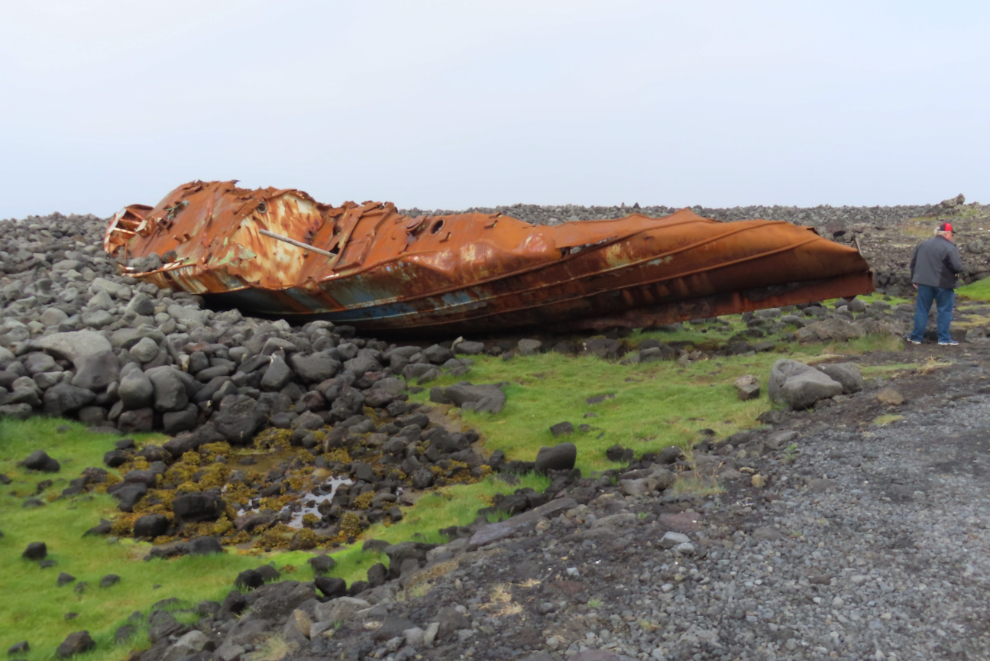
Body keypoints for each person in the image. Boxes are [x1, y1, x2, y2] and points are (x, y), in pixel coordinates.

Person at [907, 222, 963, 346]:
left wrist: (914, 279)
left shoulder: (922, 244)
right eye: (951, 234)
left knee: (921, 310)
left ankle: (916, 337)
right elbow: (957, 267)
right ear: (947, 233)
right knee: (944, 310)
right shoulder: (950, 247)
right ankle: (944, 339)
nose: (952, 236)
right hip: (943, 283)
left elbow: (913, 264)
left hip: (924, 282)